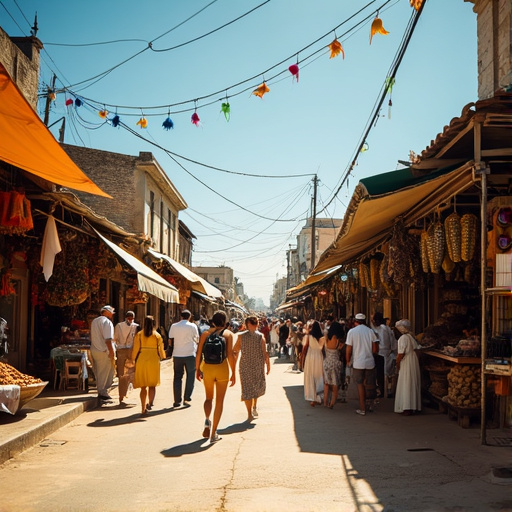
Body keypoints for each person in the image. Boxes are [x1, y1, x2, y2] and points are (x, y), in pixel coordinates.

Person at [195, 310, 236, 444]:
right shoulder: (228, 334)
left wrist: (197, 370)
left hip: (207, 368)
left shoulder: (205, 334)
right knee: (219, 401)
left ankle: (207, 420)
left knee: (208, 397)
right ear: (225, 322)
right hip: (222, 369)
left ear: (212, 321)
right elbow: (230, 355)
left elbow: (199, 354)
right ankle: (213, 434)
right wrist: (234, 372)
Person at [233, 315, 271, 420]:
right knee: (253, 388)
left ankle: (251, 410)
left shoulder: (242, 337)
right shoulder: (260, 336)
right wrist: (268, 365)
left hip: (247, 366)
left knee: (249, 389)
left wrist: (268, 364)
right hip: (255, 365)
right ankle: (252, 409)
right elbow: (265, 353)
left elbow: (235, 350)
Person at [130, 315, 166, 415]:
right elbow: (161, 349)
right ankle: (150, 403)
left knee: (143, 386)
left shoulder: (139, 334)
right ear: (154, 323)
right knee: (152, 384)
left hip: (142, 359)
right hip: (153, 359)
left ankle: (142, 408)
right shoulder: (157, 335)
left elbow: (136, 349)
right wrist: (163, 356)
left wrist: (133, 359)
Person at [345, 313, 379, 416]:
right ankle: (370, 405)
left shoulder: (352, 332)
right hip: (369, 362)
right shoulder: (370, 331)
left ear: (355, 321)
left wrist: (347, 360)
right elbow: (375, 349)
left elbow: (348, 349)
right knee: (369, 384)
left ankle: (362, 408)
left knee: (360, 385)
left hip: (358, 363)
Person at [168, 309, 199, 408]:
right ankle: (187, 398)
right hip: (190, 354)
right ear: (189, 317)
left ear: (181, 316)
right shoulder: (193, 326)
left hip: (177, 354)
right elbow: (197, 339)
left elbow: (170, 339)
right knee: (190, 376)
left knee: (177, 377)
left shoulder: (174, 326)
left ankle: (177, 400)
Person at [394, 319, 422, 415]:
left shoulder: (403, 338)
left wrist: (397, 364)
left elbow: (400, 354)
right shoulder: (411, 337)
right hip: (412, 361)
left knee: (406, 383)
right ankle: (412, 406)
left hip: (406, 362)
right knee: (411, 383)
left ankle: (406, 407)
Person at [89, 305, 116, 404]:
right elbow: (108, 339)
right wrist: (111, 352)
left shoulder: (95, 321)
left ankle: (101, 390)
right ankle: (102, 392)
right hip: (104, 351)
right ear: (106, 312)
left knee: (99, 371)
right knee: (105, 372)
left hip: (95, 349)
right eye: (112, 312)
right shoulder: (107, 322)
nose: (112, 314)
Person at [114, 311, 138, 405]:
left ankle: (122, 395)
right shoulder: (135, 326)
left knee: (122, 374)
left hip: (121, 351)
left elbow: (114, 338)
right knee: (130, 372)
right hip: (131, 351)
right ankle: (125, 392)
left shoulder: (118, 326)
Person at [372, 312, 397, 398]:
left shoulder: (379, 330)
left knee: (381, 374)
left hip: (380, 353)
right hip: (388, 353)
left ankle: (382, 392)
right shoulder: (388, 329)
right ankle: (387, 391)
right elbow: (393, 343)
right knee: (387, 374)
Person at [301, 320, 325, 407]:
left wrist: (301, 359)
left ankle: (312, 397)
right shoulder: (322, 337)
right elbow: (322, 348)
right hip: (319, 356)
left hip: (310, 356)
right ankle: (319, 397)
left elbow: (305, 346)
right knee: (319, 376)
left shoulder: (309, 336)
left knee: (310, 376)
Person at [323, 321, 344, 408]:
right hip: (335, 363)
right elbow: (341, 350)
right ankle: (332, 402)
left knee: (327, 383)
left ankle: (325, 401)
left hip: (327, 362)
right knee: (335, 383)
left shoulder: (326, 338)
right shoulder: (338, 340)